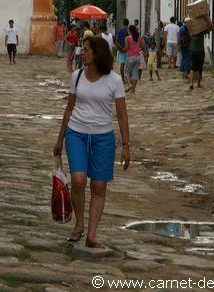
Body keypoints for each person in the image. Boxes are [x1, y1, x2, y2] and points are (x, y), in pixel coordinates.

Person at [53, 36, 130, 249]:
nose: (81, 52)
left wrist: (125, 145)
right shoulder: (77, 77)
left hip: (103, 138)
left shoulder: (114, 80)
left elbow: (122, 115)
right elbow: (69, 108)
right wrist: (60, 139)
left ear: (96, 54)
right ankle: (79, 224)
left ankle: (92, 234)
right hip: (76, 133)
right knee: (78, 180)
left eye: (85, 49)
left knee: (98, 185)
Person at [189, 16, 213, 90]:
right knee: (200, 69)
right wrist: (206, 18)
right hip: (200, 51)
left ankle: (191, 83)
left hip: (193, 51)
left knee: (192, 67)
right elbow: (211, 28)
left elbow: (186, 22)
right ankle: (198, 84)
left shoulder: (191, 31)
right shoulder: (201, 31)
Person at [123, 25, 145, 94]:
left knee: (126, 72)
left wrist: (122, 49)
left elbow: (126, 48)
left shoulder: (127, 38)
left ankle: (129, 85)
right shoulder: (139, 38)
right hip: (138, 57)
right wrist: (138, 49)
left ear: (129, 30)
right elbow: (143, 47)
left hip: (130, 57)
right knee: (135, 73)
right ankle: (133, 90)